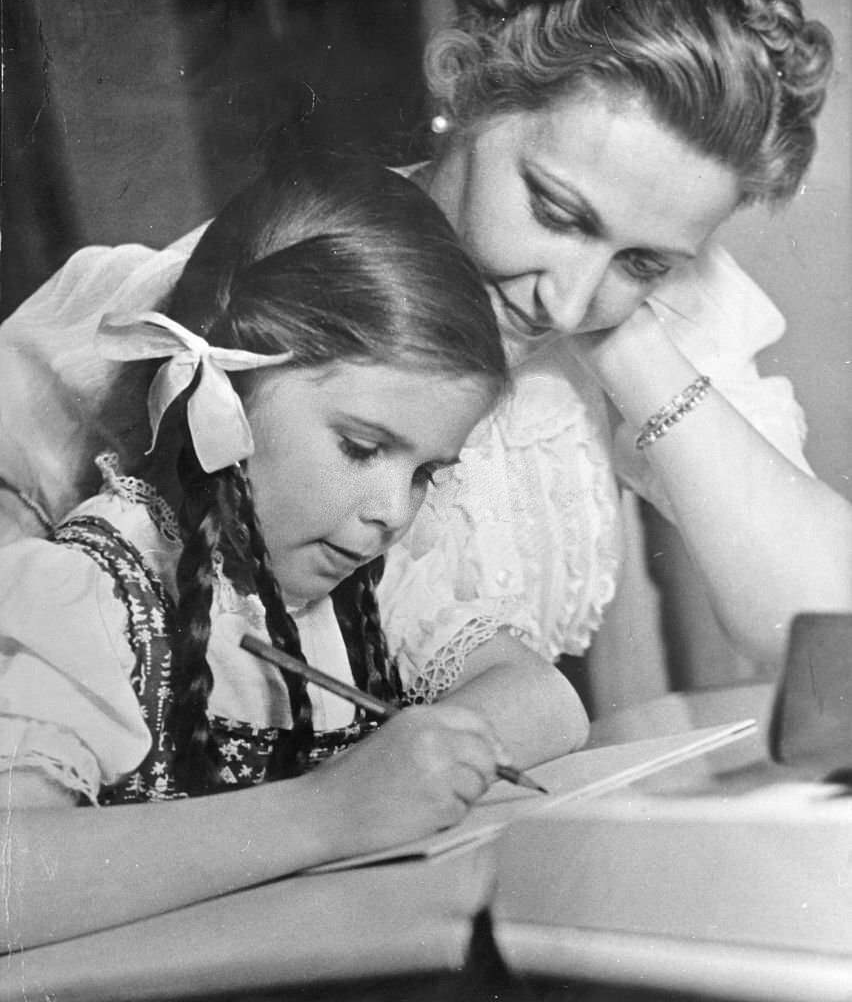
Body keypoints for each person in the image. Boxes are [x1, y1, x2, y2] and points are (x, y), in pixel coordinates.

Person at [2, 0, 850, 713]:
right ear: (469, 86)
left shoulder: (609, 312)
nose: (569, 297)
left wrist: (627, 339)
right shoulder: (258, 284)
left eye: (644, 259)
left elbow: (823, 626)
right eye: (557, 212)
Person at [0, 152, 588, 951]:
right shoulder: (95, 593)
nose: (392, 512)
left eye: (425, 473)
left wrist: (419, 761)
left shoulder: (369, 588)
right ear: (225, 398)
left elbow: (548, 703)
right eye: (361, 447)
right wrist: (326, 814)